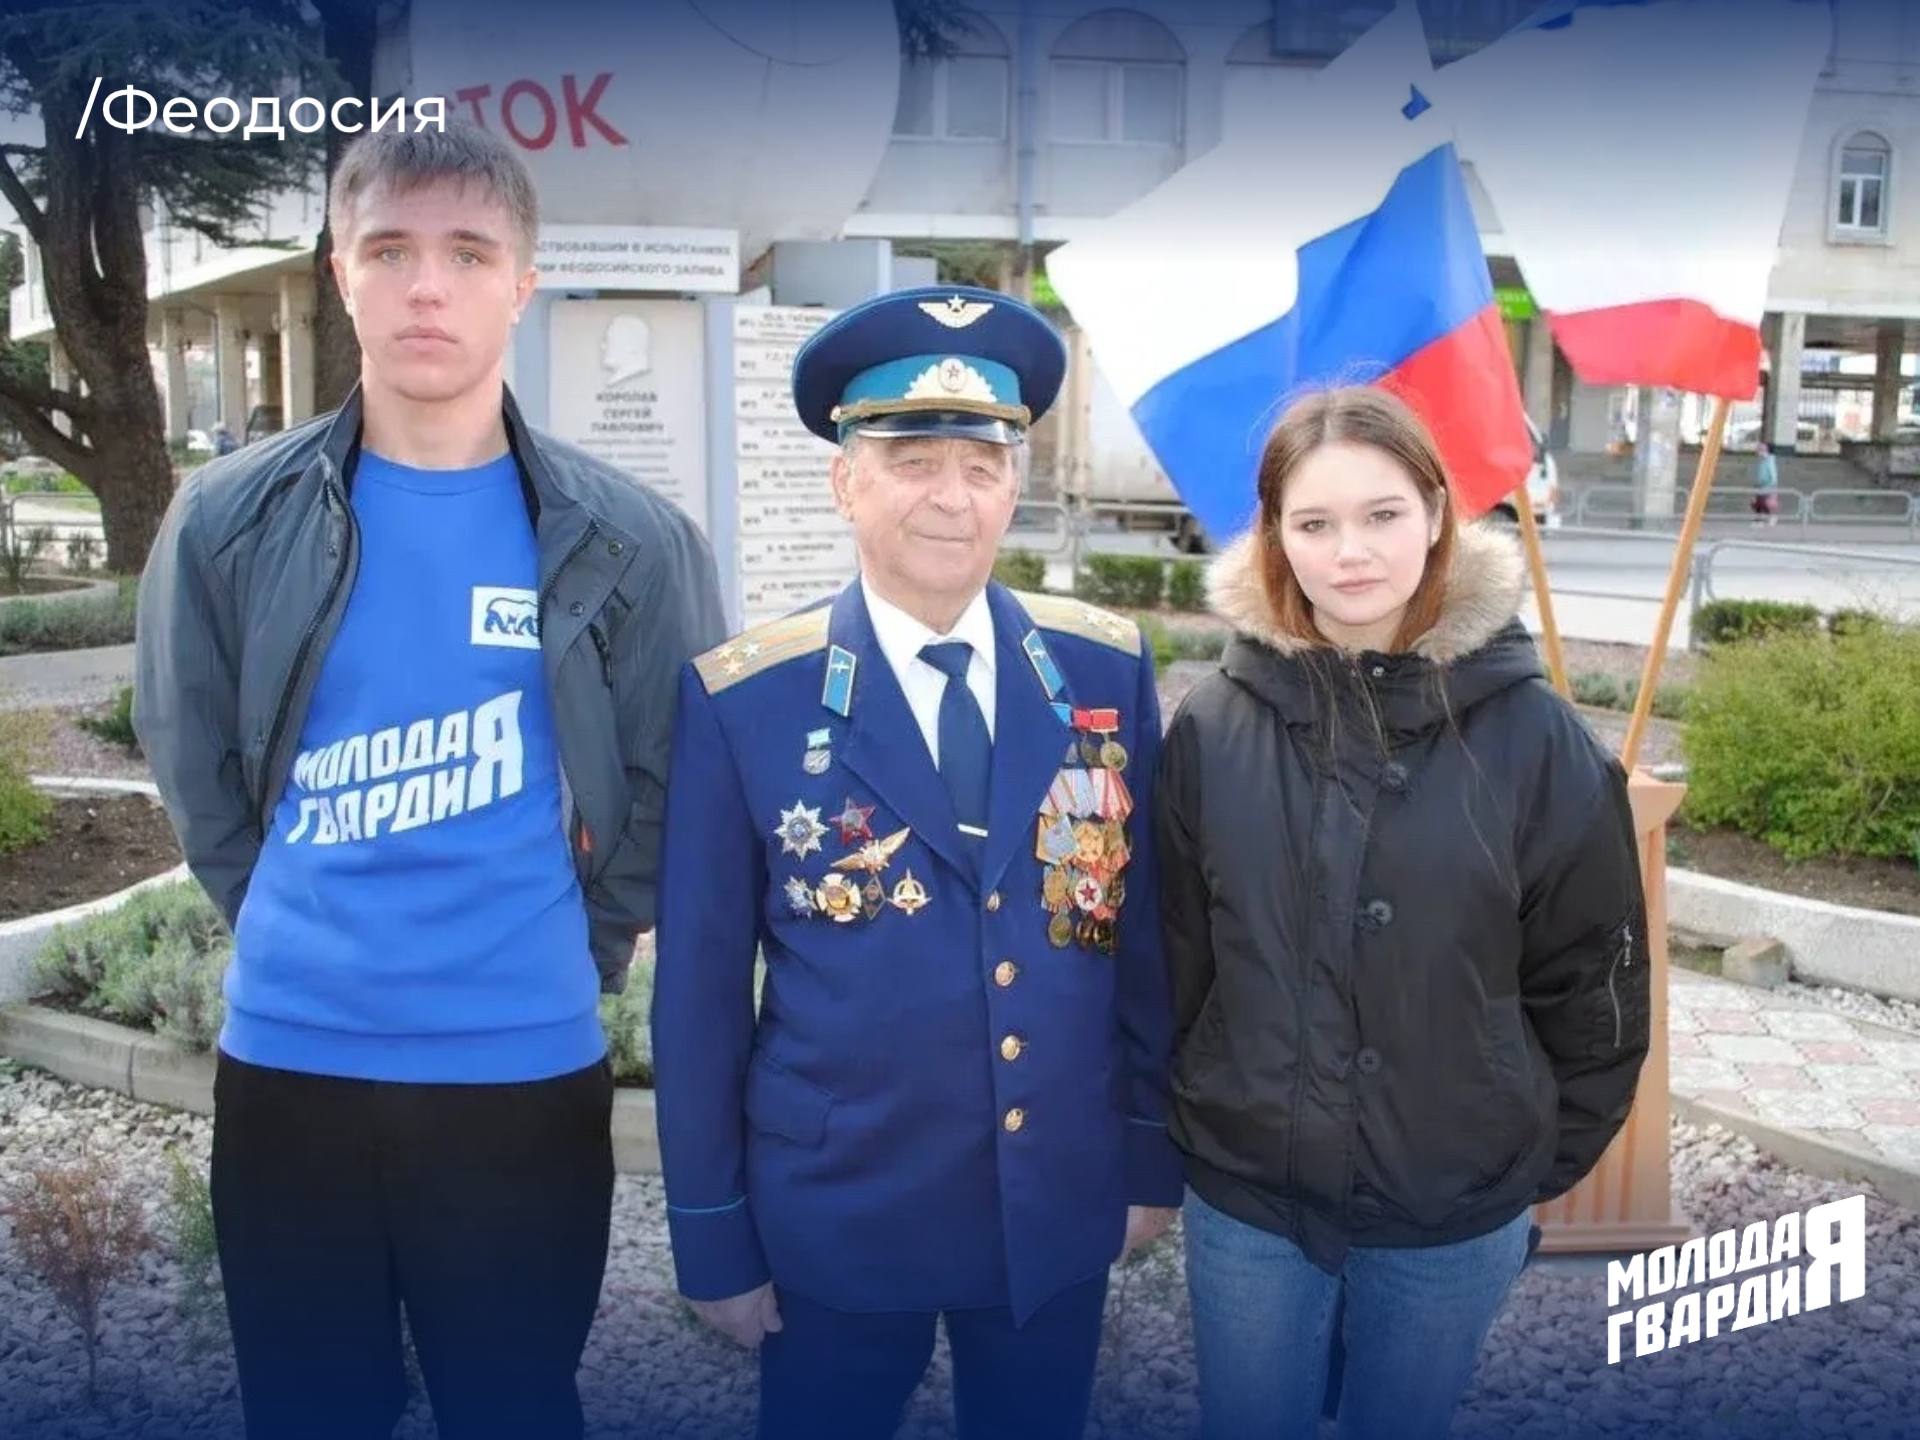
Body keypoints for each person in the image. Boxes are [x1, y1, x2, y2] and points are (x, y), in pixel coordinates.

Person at [133, 122, 724, 1439]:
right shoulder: (228, 520)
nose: (426, 287)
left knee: (514, 1408)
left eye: (467, 252)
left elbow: (669, 782)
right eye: (390, 250)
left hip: (524, 1076)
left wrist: (580, 948)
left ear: (523, 282)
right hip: (290, 1070)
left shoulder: (630, 540)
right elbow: (195, 763)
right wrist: (289, 923)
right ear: (339, 271)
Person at [651, 284, 1182, 1440]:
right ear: (845, 482)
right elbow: (697, 997)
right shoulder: (748, 698)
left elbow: (1139, 935)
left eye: (982, 466)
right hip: (839, 1213)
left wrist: (1148, 1157)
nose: (952, 496)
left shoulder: (1101, 671)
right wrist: (713, 1234)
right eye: (913, 462)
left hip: (1051, 1198)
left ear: (1014, 488)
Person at [1154, 386, 1651, 1440]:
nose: (1351, 553)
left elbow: (1593, 984)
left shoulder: (1538, 740)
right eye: (1314, 523)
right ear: (1276, 539)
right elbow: (1179, 958)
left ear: (1435, 512)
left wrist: (1522, 1160)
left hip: (1451, 1212)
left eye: (1382, 514)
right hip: (1251, 1200)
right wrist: (1202, 1116)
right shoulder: (1212, 727)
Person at [1752, 441, 1780, 524]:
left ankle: (1770, 518)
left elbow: (1773, 477)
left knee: (1764, 503)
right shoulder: (1763, 461)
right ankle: (1759, 520)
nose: (1758, 450)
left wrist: (1769, 485)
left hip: (1767, 487)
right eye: (1759, 448)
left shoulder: (1769, 461)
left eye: (1761, 449)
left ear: (1767, 450)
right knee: (1758, 504)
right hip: (1761, 487)